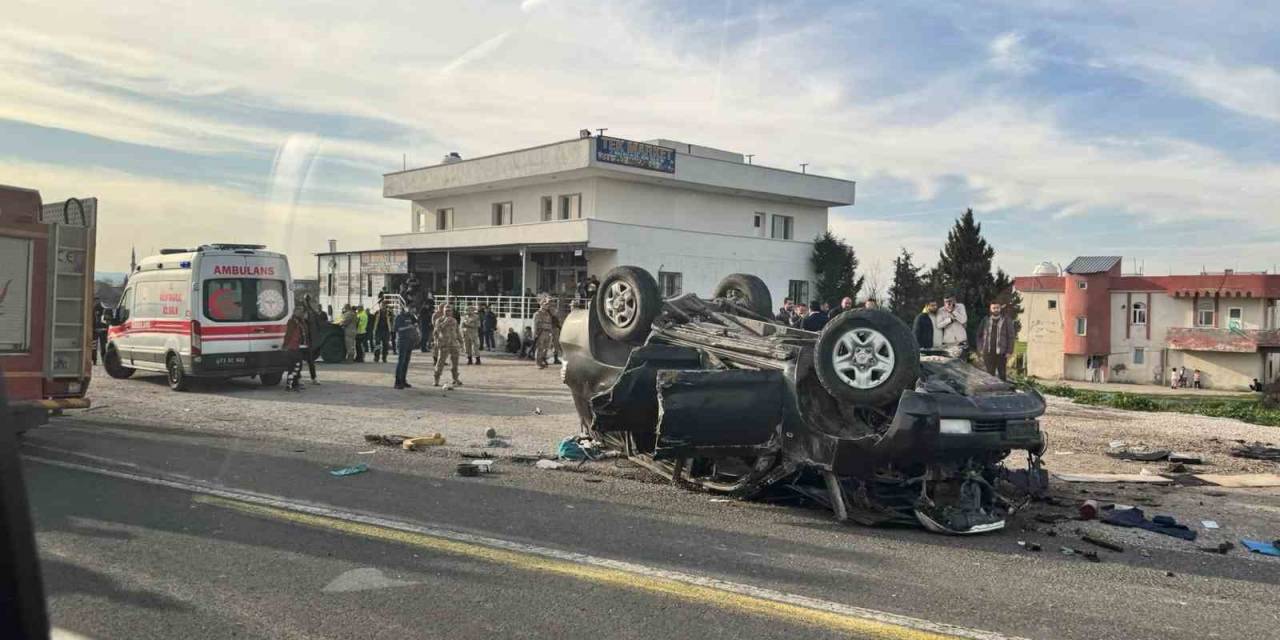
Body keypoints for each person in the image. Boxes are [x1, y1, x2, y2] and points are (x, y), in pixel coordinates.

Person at [977, 301, 1016, 381]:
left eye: (997, 308)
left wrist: (1009, 351)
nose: (996, 310)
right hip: (988, 352)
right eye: (994, 308)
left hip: (1001, 352)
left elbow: (1011, 336)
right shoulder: (985, 320)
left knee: (1002, 375)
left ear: (1000, 308)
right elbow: (979, 335)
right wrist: (980, 348)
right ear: (990, 309)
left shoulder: (1006, 320)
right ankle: (990, 392)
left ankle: (1003, 392)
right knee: (989, 375)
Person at [432, 304, 463, 387]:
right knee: (440, 362)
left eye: (450, 311)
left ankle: (455, 378)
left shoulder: (454, 321)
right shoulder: (439, 320)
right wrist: (445, 322)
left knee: (455, 363)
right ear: (443, 312)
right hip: (444, 344)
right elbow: (436, 331)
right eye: (446, 311)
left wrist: (461, 342)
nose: (448, 313)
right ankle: (436, 379)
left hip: (453, 344)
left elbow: (457, 332)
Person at [282, 305, 308, 390]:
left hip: (298, 347)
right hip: (293, 347)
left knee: (297, 366)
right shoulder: (292, 322)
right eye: (299, 311)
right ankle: (291, 384)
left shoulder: (299, 321)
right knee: (294, 367)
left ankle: (294, 383)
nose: (301, 313)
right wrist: (285, 345)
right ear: (295, 312)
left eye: (302, 311)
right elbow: (288, 334)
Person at [393, 305, 418, 389]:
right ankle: (397, 382)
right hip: (402, 341)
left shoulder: (411, 316)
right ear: (405, 308)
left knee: (406, 361)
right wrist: (408, 327)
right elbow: (397, 329)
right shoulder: (399, 317)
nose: (412, 309)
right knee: (401, 361)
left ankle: (403, 380)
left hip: (410, 341)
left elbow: (416, 323)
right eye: (411, 308)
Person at [533, 301, 555, 368]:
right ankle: (538, 363)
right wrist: (535, 333)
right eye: (545, 304)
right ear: (541, 305)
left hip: (548, 332)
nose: (546, 306)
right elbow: (535, 324)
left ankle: (542, 361)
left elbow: (550, 324)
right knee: (540, 348)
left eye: (547, 305)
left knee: (546, 348)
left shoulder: (548, 314)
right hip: (541, 332)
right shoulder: (537, 314)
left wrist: (551, 332)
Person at [91, 299, 108, 365]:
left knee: (94, 346)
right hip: (103, 329)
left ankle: (94, 360)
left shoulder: (93, 307)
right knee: (103, 346)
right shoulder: (105, 307)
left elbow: (92, 319)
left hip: (95, 329)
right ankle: (104, 360)